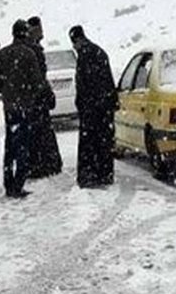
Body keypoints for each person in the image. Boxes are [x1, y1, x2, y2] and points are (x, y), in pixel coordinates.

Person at [0, 20, 43, 199]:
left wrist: (8, 91)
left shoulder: (3, 54)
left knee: (10, 145)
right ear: (25, 33)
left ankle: (8, 183)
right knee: (23, 146)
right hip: (25, 106)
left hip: (9, 106)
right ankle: (18, 184)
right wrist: (30, 94)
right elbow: (37, 82)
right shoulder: (29, 54)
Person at [70, 26, 117, 188]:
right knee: (104, 141)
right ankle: (105, 174)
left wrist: (81, 104)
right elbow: (108, 79)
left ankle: (89, 175)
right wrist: (111, 101)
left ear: (77, 40)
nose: (74, 48)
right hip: (104, 106)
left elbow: (82, 85)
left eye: (73, 44)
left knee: (88, 142)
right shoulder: (99, 52)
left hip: (91, 107)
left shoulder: (84, 56)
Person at [24, 16, 63, 179]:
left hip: (30, 99)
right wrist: (45, 92)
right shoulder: (34, 50)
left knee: (36, 133)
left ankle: (38, 164)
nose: (42, 32)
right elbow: (39, 75)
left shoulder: (30, 48)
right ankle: (45, 165)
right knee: (41, 132)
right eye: (40, 28)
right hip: (37, 99)